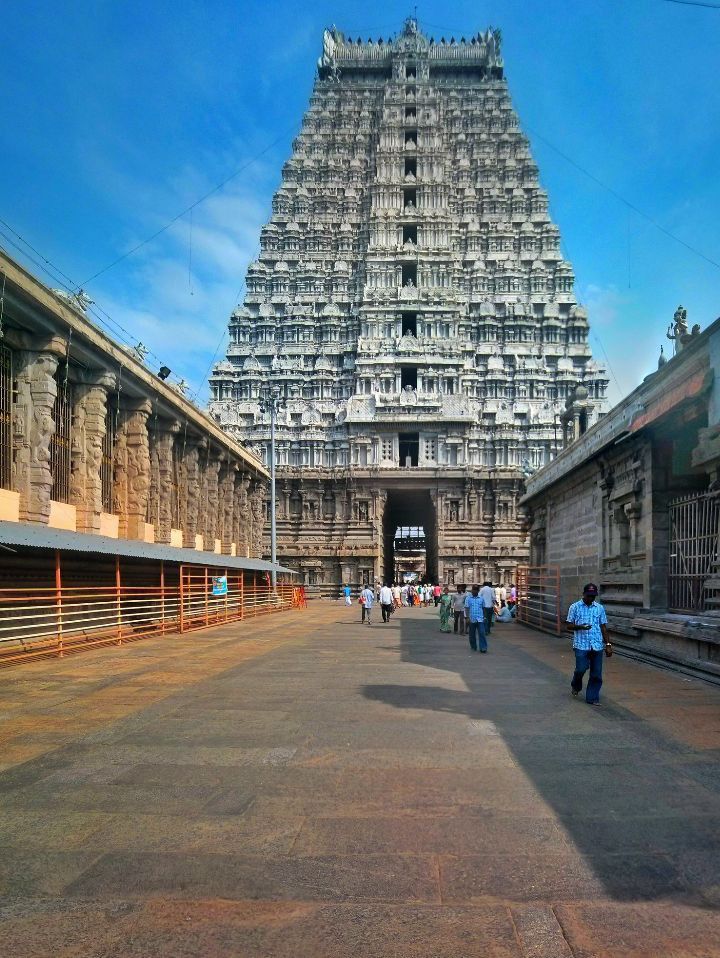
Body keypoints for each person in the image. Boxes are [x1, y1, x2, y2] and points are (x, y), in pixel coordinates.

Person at [565, 583, 610, 705]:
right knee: (581, 669)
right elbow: (568, 625)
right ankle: (576, 684)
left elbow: (603, 627)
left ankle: (592, 697)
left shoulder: (599, 608)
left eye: (593, 596)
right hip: (581, 645)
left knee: (596, 673)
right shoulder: (575, 607)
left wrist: (608, 644)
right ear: (583, 594)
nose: (591, 598)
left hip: (597, 645)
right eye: (589, 596)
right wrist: (580, 627)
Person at [464, 584, 488, 653]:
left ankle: (483, 647)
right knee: (472, 634)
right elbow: (466, 608)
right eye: (473, 589)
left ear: (478, 590)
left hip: (480, 619)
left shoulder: (481, 598)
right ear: (471, 590)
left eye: (475, 590)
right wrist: (467, 617)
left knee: (482, 633)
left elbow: (484, 608)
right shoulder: (468, 598)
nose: (474, 591)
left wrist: (485, 617)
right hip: (472, 619)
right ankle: (473, 646)